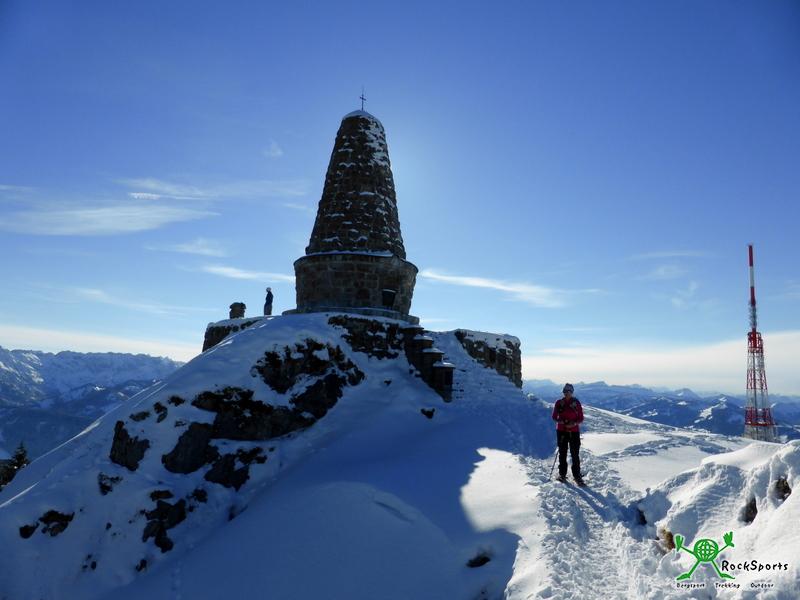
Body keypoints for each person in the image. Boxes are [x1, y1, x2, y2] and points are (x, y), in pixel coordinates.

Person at [552, 383, 584, 485]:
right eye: (565, 391)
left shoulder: (576, 403)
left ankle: (577, 475)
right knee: (563, 452)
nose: (567, 393)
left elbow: (581, 418)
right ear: (563, 392)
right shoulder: (559, 403)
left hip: (572, 431)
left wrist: (573, 423)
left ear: (572, 392)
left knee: (575, 454)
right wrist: (561, 421)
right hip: (562, 431)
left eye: (569, 391)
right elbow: (554, 417)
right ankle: (562, 474)